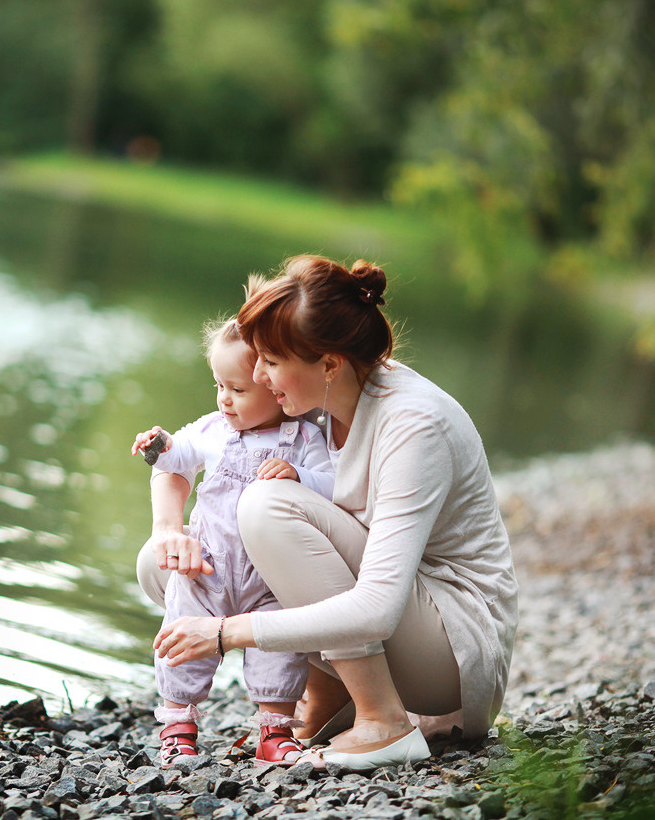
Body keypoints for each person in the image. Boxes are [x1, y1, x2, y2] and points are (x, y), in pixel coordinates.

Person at [140, 255, 518, 771]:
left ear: (329, 363)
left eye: (270, 362)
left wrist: (229, 632)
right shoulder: (312, 394)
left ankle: (382, 720)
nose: (255, 374)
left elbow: (379, 606)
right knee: (162, 561)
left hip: (449, 653)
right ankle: (326, 700)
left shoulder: (414, 426)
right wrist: (167, 530)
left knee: (267, 507)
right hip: (394, 627)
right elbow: (189, 451)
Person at [131, 317, 335, 768]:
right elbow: (177, 456)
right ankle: (178, 729)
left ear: (273, 388)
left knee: (278, 651)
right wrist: (157, 444)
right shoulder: (213, 429)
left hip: (269, 578)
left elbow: (336, 485)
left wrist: (300, 475)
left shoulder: (303, 438)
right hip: (206, 567)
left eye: (238, 390)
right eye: (218, 385)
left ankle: (275, 730)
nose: (224, 398)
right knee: (181, 639)